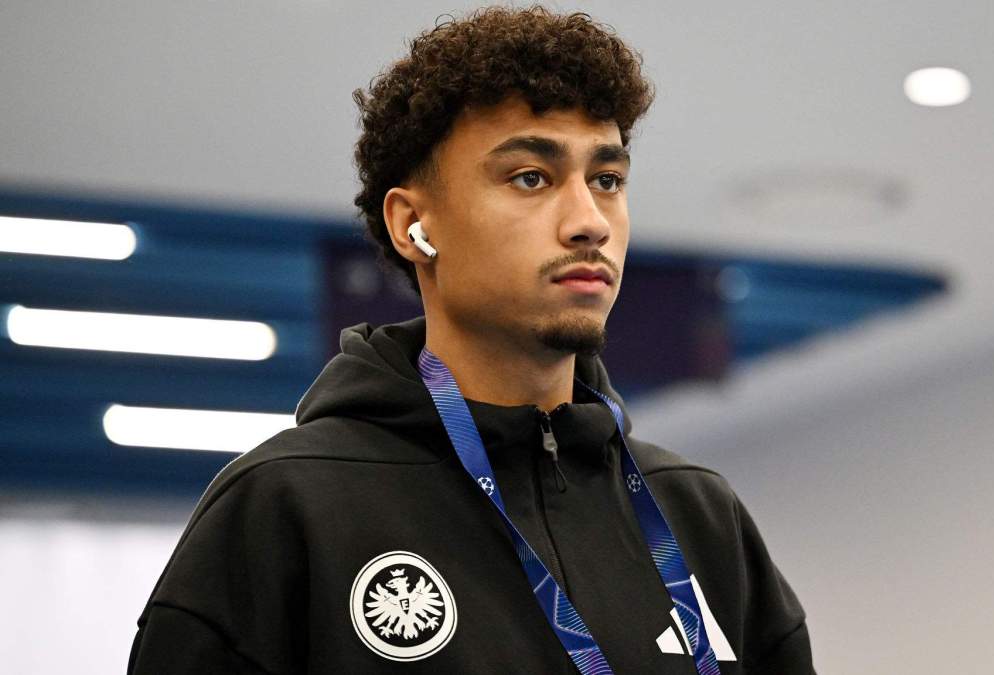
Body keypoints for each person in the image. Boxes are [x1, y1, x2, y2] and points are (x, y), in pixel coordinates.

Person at [128, 5, 816, 674]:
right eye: (530, 177)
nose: (590, 222)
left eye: (607, 180)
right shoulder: (286, 505)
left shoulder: (697, 515)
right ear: (413, 225)